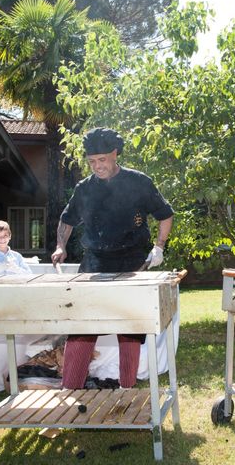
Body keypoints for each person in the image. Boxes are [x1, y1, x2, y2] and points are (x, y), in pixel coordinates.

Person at [51, 127, 174, 389]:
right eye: (92, 162)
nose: (97, 166)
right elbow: (67, 220)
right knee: (82, 326)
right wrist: (61, 246)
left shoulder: (139, 182)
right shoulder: (84, 188)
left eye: (102, 160)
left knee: (129, 327)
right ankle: (69, 390)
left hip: (132, 261)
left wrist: (159, 246)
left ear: (115, 154)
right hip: (94, 262)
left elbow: (165, 214)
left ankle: (126, 388)